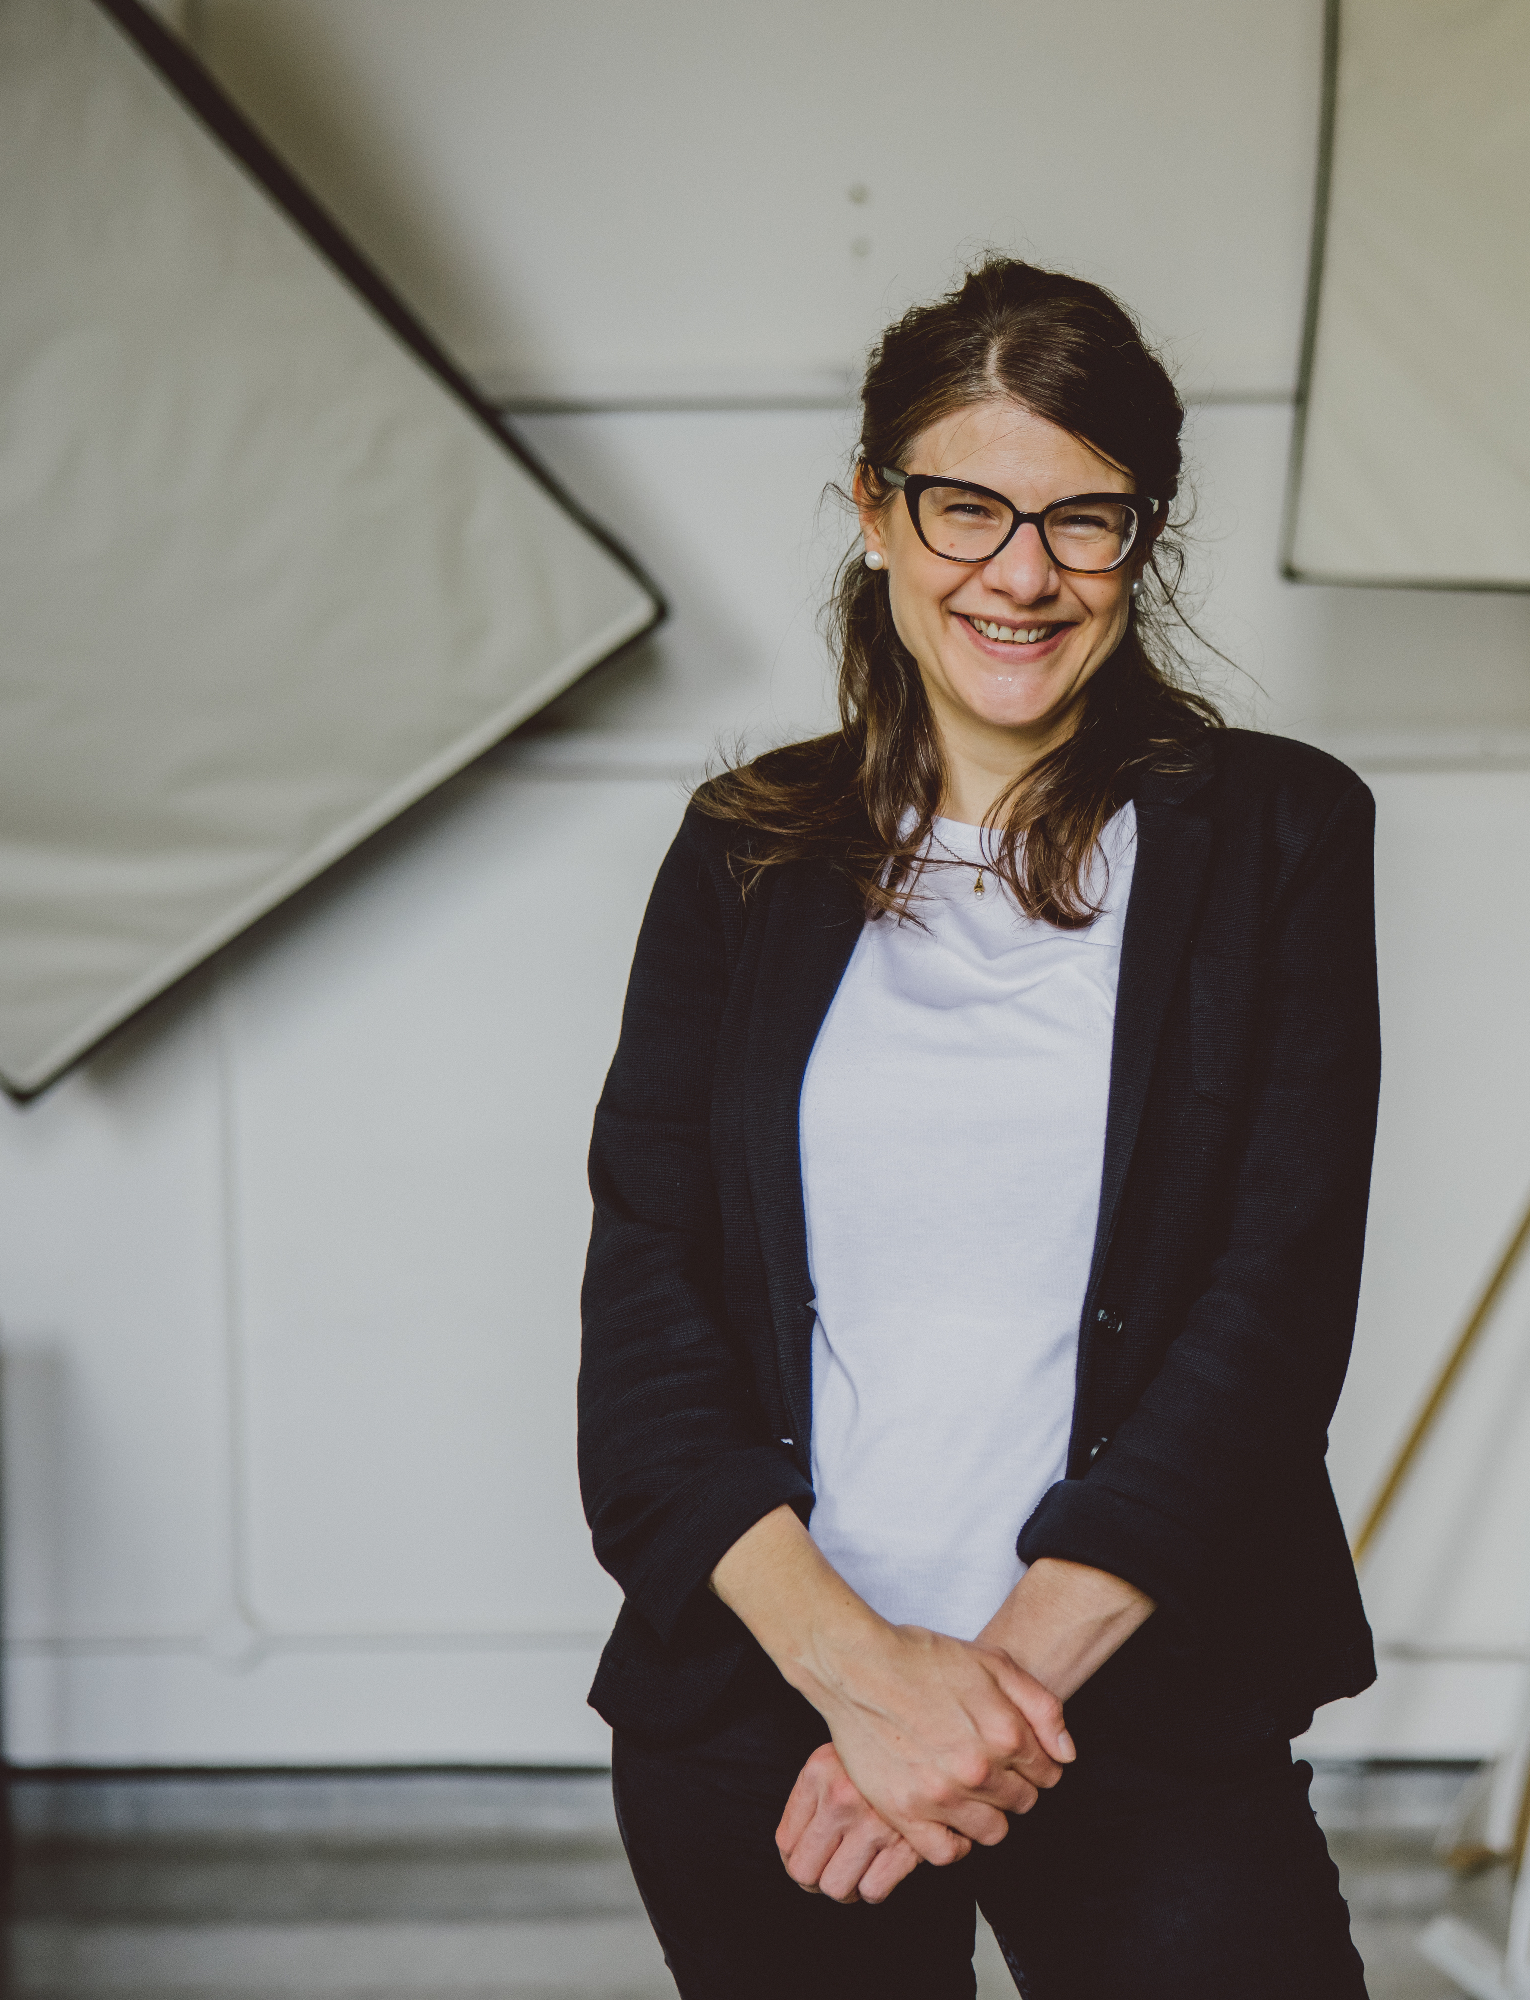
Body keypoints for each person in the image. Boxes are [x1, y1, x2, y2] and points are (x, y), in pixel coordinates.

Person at [578, 258, 1381, 1997]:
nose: (1024, 573)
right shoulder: (743, 851)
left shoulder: (1280, 836)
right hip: (773, 1717)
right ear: (874, 511)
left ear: (1140, 541)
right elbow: (646, 1316)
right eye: (967, 507)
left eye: (1085, 521)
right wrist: (868, 1680)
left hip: (1140, 1702)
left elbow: (1276, 1304)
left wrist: (982, 1702)